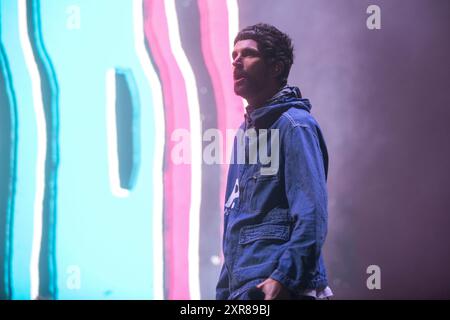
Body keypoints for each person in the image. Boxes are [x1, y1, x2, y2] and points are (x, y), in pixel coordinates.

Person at [216, 23, 332, 300]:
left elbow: (311, 214)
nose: (236, 61)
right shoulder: (244, 135)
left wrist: (283, 279)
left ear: (276, 67)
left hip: (281, 288)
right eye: (234, 55)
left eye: (248, 54)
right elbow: (236, 221)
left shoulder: (295, 126)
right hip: (244, 292)